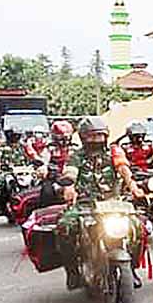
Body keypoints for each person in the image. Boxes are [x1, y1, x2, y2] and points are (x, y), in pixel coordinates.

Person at [55, 117, 144, 290]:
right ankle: (73, 272)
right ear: (83, 137)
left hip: (113, 203)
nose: (96, 140)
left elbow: (123, 168)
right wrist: (70, 187)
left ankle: (131, 268)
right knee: (65, 227)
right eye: (92, 137)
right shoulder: (77, 155)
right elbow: (71, 172)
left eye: (100, 136)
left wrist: (133, 186)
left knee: (139, 227)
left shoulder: (113, 151)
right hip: (84, 204)